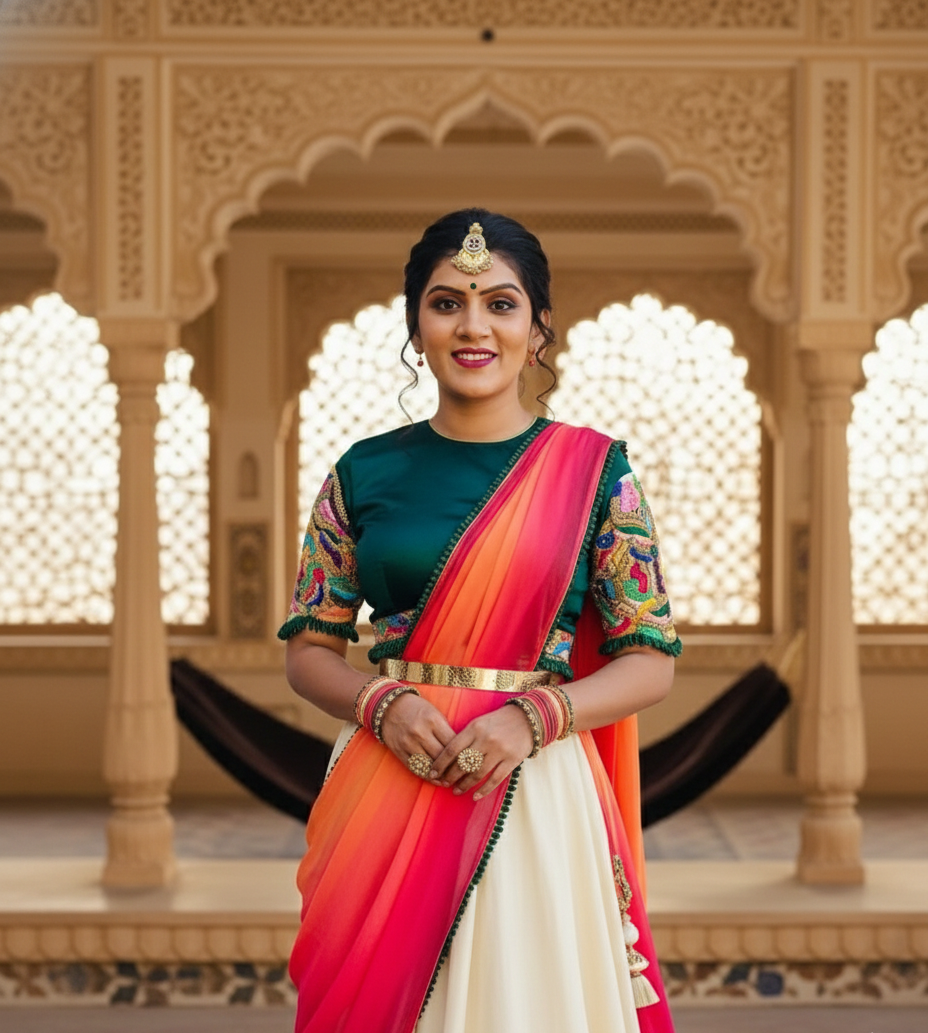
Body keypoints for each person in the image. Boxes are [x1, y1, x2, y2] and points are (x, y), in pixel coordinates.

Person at [279, 209, 681, 1033]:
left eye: (500, 304)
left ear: (538, 329)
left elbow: (651, 659)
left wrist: (535, 718)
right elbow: (311, 648)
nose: (473, 326)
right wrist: (380, 704)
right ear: (415, 327)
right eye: (446, 303)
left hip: (533, 788)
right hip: (389, 778)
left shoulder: (596, 471)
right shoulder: (362, 473)